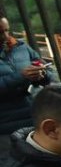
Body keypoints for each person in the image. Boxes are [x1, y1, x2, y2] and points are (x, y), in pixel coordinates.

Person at [1, 14, 55, 155]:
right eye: (0, 32)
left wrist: (41, 75)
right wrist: (21, 76)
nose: (5, 36)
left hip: (34, 119)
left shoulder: (21, 47)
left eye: (7, 30)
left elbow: (49, 73)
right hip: (5, 128)